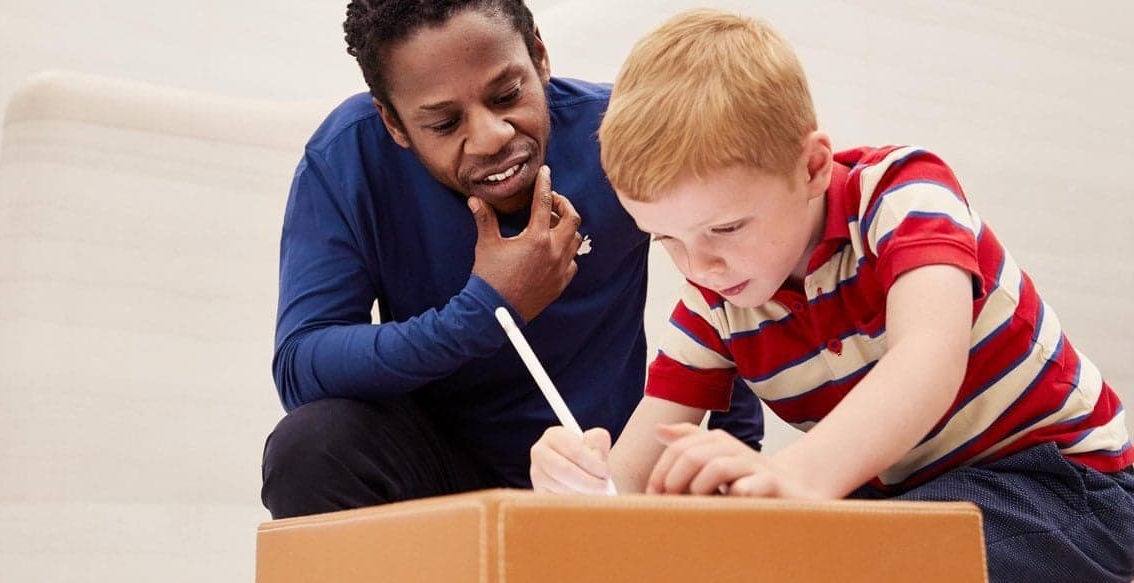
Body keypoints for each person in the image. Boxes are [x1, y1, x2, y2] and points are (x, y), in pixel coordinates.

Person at [530, 9, 1134, 582]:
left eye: (726, 228)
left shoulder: (902, 198)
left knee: (845, 557)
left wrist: (794, 475)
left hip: (1069, 485)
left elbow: (928, 363)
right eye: (667, 239)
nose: (700, 265)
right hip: (908, 503)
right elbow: (631, 472)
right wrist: (585, 487)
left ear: (814, 167)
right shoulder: (718, 301)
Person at [259, 0, 764, 519]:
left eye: (507, 95)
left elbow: (730, 286)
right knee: (311, 446)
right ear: (393, 122)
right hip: (433, 481)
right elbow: (303, 362)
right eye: (444, 123)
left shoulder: (616, 136)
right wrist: (484, 310)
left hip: (593, 474)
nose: (492, 136)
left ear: (540, 57)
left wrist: (736, 451)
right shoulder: (349, 157)